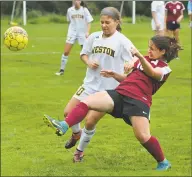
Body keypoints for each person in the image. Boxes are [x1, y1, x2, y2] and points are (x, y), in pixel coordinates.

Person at [44, 35, 181, 170]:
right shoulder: (143, 60)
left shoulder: (164, 69)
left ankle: (163, 162)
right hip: (120, 93)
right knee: (87, 101)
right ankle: (64, 125)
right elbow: (129, 79)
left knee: (142, 136)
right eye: (148, 47)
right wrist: (114, 75)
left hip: (138, 101)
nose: (148, 51)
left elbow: (152, 73)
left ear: (162, 52)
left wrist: (138, 57)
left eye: (152, 48)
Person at [45, 7, 135, 161]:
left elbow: (134, 58)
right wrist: (88, 62)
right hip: (89, 84)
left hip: (108, 90)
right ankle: (76, 133)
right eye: (102, 22)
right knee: (68, 113)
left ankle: (79, 151)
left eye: (108, 22)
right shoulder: (94, 37)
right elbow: (83, 54)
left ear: (116, 22)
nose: (104, 25)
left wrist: (130, 65)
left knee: (90, 120)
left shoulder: (122, 41)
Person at [55, 0, 93, 76]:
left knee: (85, 53)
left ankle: (91, 70)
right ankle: (61, 70)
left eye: (77, 0)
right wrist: (70, 31)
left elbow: (89, 22)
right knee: (66, 52)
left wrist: (87, 32)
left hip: (82, 34)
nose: (76, 1)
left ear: (80, 1)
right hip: (72, 33)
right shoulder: (70, 10)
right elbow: (69, 21)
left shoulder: (84, 10)